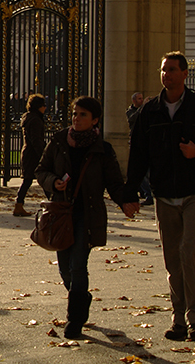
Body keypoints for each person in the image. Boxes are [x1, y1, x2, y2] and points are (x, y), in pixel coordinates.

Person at [126, 51, 195, 343]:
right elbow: (137, 154)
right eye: (164, 70)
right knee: (173, 260)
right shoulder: (149, 111)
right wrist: (130, 193)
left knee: (191, 251)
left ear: (185, 74)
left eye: (172, 70)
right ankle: (178, 319)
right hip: (165, 194)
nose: (167, 75)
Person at [35, 96, 135, 340]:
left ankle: (75, 320)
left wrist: (125, 202)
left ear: (95, 120)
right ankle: (81, 297)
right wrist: (52, 182)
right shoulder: (59, 142)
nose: (76, 119)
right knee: (64, 269)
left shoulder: (102, 149)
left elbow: (113, 182)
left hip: (87, 215)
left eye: (83, 115)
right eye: (75, 114)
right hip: (61, 213)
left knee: (78, 265)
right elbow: (41, 170)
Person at [14, 93, 46, 217]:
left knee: (28, 180)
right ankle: (54, 203)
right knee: (42, 178)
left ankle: (19, 204)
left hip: (28, 152)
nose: (45, 108)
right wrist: (43, 154)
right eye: (43, 105)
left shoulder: (29, 118)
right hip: (33, 154)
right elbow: (36, 139)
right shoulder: (35, 120)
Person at [127, 91, 154, 205]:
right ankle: (146, 193)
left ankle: (148, 194)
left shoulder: (147, 111)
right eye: (139, 99)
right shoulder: (130, 111)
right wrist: (143, 107)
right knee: (140, 171)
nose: (141, 101)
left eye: (142, 99)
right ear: (134, 101)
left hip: (148, 143)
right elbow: (133, 119)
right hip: (136, 143)